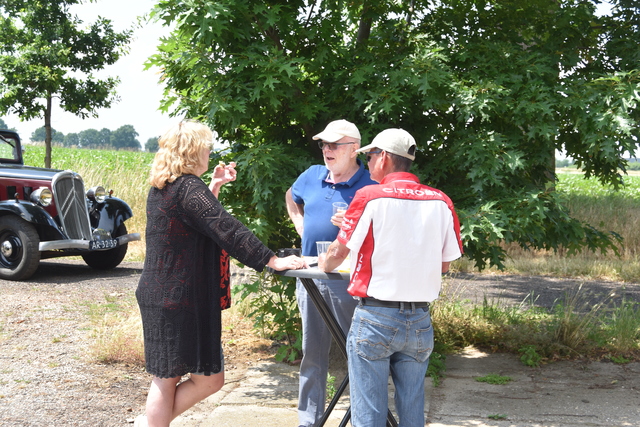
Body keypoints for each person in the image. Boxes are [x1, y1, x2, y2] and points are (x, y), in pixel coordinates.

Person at [135, 120, 306, 427]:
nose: (210, 151)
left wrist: (213, 187)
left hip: (169, 296)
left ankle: (149, 424)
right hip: (177, 299)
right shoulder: (187, 187)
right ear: (192, 150)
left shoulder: (167, 186)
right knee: (168, 378)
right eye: (206, 146)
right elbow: (226, 228)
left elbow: (200, 222)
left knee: (207, 380)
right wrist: (270, 259)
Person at [320, 128, 463, 427]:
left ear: (383, 158)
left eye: (370, 156)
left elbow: (336, 254)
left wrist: (325, 261)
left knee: (368, 413)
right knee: (412, 411)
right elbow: (445, 265)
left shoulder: (369, 196)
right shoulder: (441, 201)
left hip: (376, 316)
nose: (369, 163)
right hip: (420, 319)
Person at [285, 119, 376, 427]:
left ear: (354, 149)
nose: (327, 150)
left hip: (350, 279)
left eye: (334, 145)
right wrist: (298, 221)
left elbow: (384, 234)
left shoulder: (370, 186)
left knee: (361, 354)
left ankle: (363, 418)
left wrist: (352, 227)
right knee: (312, 354)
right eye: (323, 144)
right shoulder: (312, 175)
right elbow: (290, 196)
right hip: (310, 276)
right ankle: (308, 422)